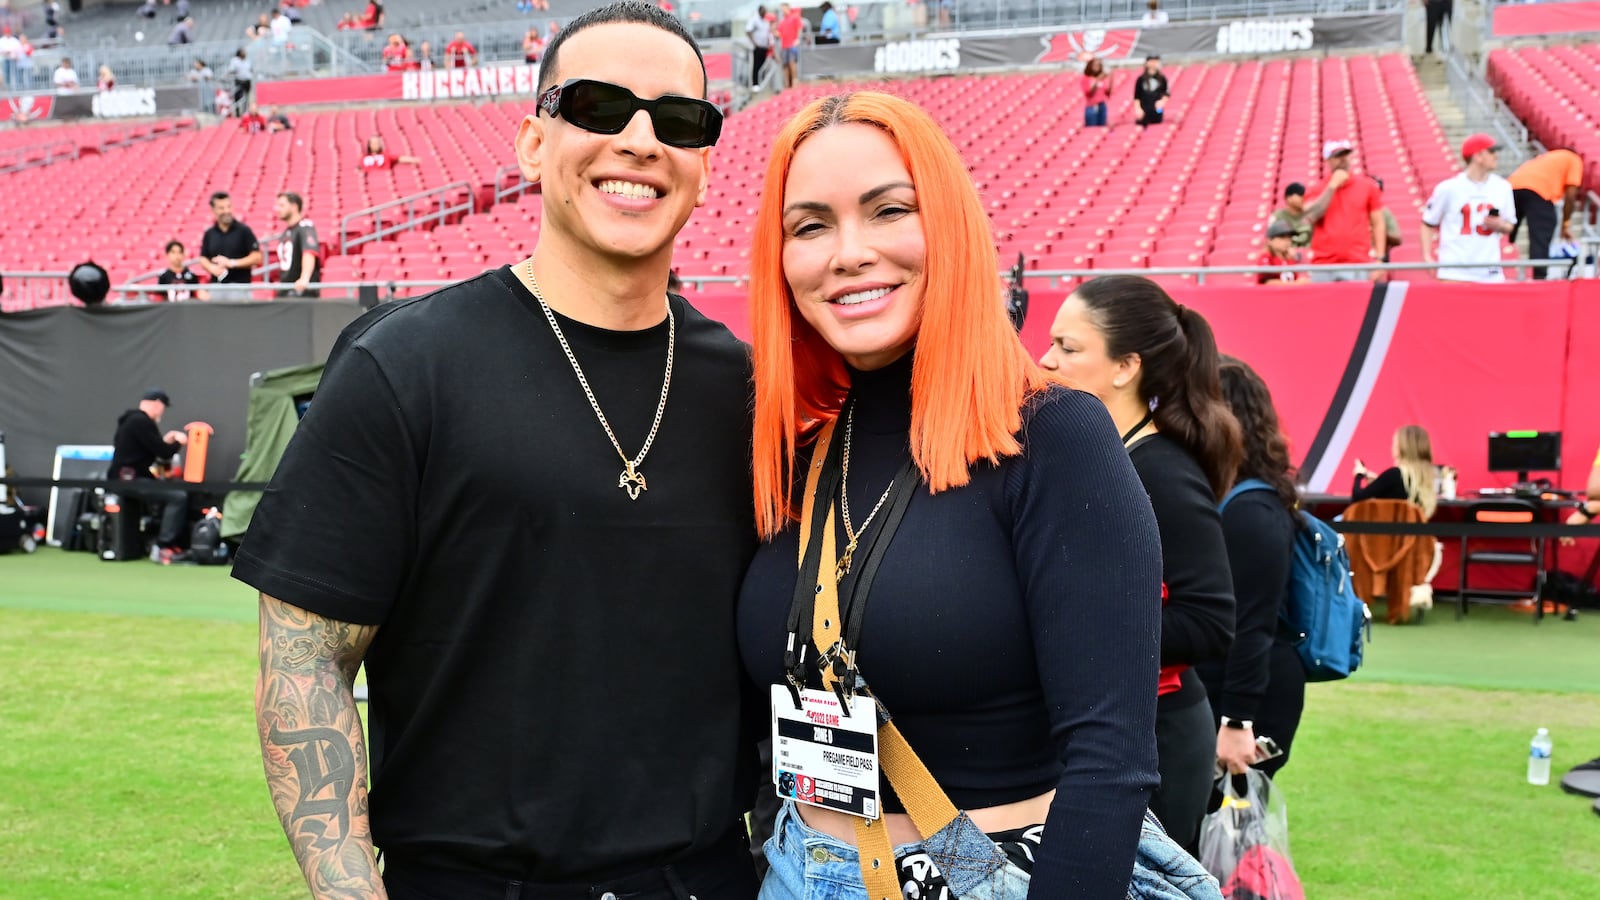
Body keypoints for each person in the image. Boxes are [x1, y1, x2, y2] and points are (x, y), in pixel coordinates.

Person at [237, 4, 760, 898]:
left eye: (678, 120)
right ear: (530, 142)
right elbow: (305, 660)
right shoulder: (403, 363)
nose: (639, 140)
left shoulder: (749, 388)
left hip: (705, 878)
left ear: (706, 166)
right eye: (597, 106)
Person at [743, 90, 1163, 897]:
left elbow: (1111, 762)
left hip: (984, 873)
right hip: (796, 863)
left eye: (888, 210)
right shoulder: (800, 450)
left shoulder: (1055, 436)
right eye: (810, 226)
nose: (849, 252)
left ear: (949, 225)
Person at [1039, 275, 1239, 853]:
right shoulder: (1105, 459)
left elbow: (1210, 621)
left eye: (1068, 348)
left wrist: (1072, 624)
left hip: (1157, 735)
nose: (1047, 362)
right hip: (1105, 725)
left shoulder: (1164, 474)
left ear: (1126, 367)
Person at [1196, 357, 1306, 779]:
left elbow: (1252, 626)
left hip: (1245, 702)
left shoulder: (1251, 510)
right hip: (1231, 692)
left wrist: (1236, 722)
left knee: (1228, 836)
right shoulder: (1241, 499)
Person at [107, 388, 190, 563]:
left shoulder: (131, 420)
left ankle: (157, 543)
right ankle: (163, 547)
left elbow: (152, 448)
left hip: (123, 479)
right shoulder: (141, 422)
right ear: (157, 404)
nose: (163, 412)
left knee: (169, 492)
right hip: (130, 481)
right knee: (178, 497)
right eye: (163, 407)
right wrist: (179, 442)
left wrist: (167, 442)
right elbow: (164, 453)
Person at [1421, 133, 1516, 283]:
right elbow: (1428, 222)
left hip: (1490, 272)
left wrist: (1500, 225)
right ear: (1477, 156)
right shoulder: (1448, 188)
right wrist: (1427, 256)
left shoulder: (1503, 187)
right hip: (1455, 272)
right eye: (1491, 152)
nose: (1495, 156)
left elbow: (1510, 224)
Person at [1302, 140, 1385, 282]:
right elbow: (1311, 216)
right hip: (1323, 264)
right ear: (1327, 160)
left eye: (1346, 154)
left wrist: (1380, 258)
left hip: (1357, 262)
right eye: (1337, 155)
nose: (1343, 159)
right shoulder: (1316, 188)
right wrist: (1332, 186)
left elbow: (1378, 223)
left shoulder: (1367, 186)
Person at [1509, 148, 1585, 279]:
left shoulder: (1546, 157)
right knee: (1541, 236)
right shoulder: (1574, 159)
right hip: (1539, 190)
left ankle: (1494, 268)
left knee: (1506, 231)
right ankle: (1540, 281)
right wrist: (1565, 224)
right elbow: (1571, 195)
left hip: (1511, 187)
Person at [1352, 424, 1438, 518]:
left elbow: (1357, 498)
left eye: (1394, 443)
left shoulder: (1394, 475)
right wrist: (1378, 481)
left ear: (1401, 448)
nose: (1392, 447)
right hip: (1412, 532)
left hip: (1386, 531)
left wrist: (1358, 475)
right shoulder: (1426, 480)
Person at [198, 191, 263, 287]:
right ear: (213, 210)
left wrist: (232, 263)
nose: (226, 211)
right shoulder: (209, 233)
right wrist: (211, 267)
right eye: (221, 208)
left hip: (240, 288)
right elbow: (203, 258)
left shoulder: (244, 231)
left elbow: (257, 257)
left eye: (229, 206)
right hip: (216, 288)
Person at [272, 192, 321, 299]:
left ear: (294, 207)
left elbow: (309, 252)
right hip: (286, 290)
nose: (278, 209)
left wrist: (304, 278)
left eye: (282, 205)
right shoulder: (286, 232)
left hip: (301, 293)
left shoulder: (304, 227)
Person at [1255, 219, 1305, 285]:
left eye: (1289, 238)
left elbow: (1297, 279)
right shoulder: (1266, 257)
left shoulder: (1290, 258)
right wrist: (1295, 284)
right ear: (1270, 240)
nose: (1287, 241)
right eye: (1282, 237)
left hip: (1291, 294)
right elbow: (1268, 283)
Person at [1268, 183, 1312, 250]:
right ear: (1289, 198)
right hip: (1285, 254)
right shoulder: (1277, 216)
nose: (1304, 197)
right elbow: (1272, 241)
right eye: (1300, 195)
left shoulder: (1311, 214)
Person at [1133, 55, 1169, 126]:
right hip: (1144, 111)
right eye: (1151, 61)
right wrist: (1138, 109)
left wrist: (1162, 102)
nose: (1153, 64)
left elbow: (1166, 93)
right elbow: (1137, 97)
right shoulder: (1140, 79)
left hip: (1156, 111)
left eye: (1155, 61)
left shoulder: (1162, 78)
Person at [775, 3, 804, 89]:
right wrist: (773, 31)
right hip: (784, 46)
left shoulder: (794, 17)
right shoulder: (782, 21)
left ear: (788, 8)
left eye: (784, 8)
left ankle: (795, 80)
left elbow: (799, 28)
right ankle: (787, 83)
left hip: (792, 45)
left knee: (792, 63)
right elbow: (779, 33)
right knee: (785, 65)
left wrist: (798, 38)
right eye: (782, 8)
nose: (783, 10)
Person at [745, 4, 771, 89]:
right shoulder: (754, 20)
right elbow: (748, 31)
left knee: (763, 65)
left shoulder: (766, 22)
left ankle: (761, 81)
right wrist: (755, 43)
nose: (764, 13)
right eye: (763, 11)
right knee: (756, 65)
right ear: (760, 11)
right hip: (757, 47)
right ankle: (755, 83)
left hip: (764, 47)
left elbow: (767, 34)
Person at [1082, 56, 1110, 127]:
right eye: (1095, 65)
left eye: (1099, 65)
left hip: (1102, 106)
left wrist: (1111, 78)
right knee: (1092, 129)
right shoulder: (1086, 78)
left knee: (1101, 127)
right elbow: (1088, 92)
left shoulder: (1102, 79)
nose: (1097, 67)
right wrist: (1097, 80)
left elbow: (1108, 93)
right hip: (1092, 107)